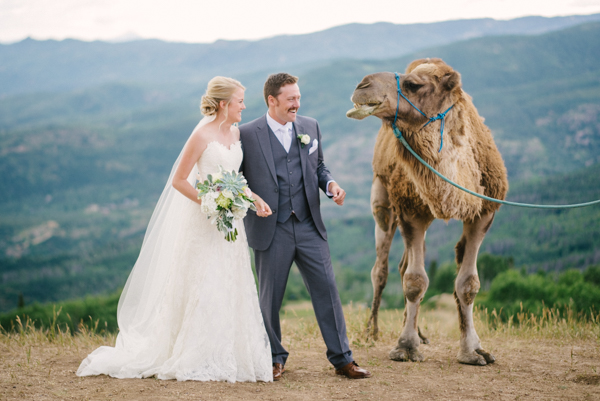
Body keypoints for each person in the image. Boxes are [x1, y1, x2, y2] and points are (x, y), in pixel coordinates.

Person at [77, 77, 273, 383]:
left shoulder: (234, 133)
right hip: (204, 222)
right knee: (203, 283)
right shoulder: (201, 135)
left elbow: (233, 178)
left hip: (229, 226)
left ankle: (228, 353)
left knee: (229, 281)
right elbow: (180, 180)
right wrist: (211, 203)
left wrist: (253, 199)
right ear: (224, 104)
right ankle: (195, 354)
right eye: (240, 101)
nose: (244, 107)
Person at [239, 73, 372, 380]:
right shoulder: (246, 133)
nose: (297, 104)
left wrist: (331, 184)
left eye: (298, 97)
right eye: (290, 99)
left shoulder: (310, 126)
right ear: (272, 101)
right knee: (270, 297)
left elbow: (319, 167)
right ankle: (273, 358)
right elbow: (238, 179)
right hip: (271, 228)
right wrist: (253, 201)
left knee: (327, 289)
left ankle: (343, 359)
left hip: (310, 224)